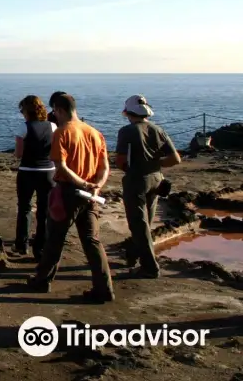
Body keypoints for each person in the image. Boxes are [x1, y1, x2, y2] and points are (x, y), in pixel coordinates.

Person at [27, 93, 114, 303]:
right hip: (90, 195)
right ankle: (104, 288)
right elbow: (104, 166)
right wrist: (96, 186)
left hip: (68, 192)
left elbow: (62, 167)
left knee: (55, 237)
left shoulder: (63, 133)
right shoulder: (94, 132)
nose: (53, 115)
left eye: (54, 111)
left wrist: (82, 184)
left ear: (60, 110)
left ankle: (42, 281)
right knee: (92, 240)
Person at [116, 95, 182, 279]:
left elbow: (121, 161)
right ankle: (135, 255)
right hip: (156, 178)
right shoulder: (157, 129)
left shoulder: (127, 131)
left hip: (137, 179)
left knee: (138, 223)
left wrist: (134, 167)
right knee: (147, 221)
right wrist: (154, 163)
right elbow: (175, 158)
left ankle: (150, 267)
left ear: (128, 112)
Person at [14, 96, 57, 260]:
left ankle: (22, 244)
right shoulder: (52, 126)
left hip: (27, 171)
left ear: (26, 111)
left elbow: (18, 154)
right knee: (44, 210)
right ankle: (40, 247)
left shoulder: (23, 128)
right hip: (48, 172)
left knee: (25, 208)